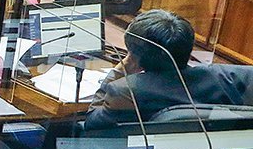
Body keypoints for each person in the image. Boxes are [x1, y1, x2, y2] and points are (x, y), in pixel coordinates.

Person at [86, 9, 253, 129]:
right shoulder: (227, 77)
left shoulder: (126, 91)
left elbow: (91, 122)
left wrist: (122, 68)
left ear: (134, 56)